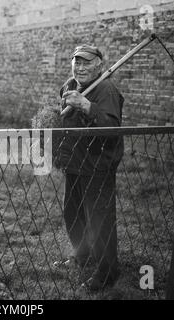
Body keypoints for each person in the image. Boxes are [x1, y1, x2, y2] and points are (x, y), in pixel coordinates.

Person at [57, 44, 125, 291]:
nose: (81, 67)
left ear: (98, 64)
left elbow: (112, 129)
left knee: (100, 219)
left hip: (98, 165)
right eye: (77, 62)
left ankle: (108, 272)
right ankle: (82, 256)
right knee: (73, 214)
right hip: (74, 163)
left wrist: (86, 106)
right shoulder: (69, 86)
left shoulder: (106, 90)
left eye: (87, 62)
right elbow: (62, 122)